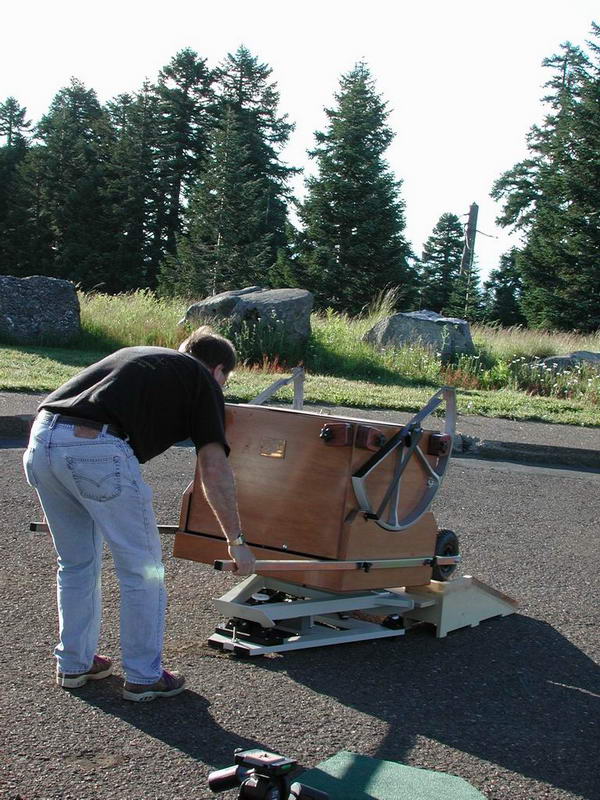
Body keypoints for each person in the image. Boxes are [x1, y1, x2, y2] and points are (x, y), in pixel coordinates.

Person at [23, 326, 255, 702]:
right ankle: (144, 675)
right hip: (97, 447)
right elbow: (214, 467)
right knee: (143, 569)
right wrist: (236, 541)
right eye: (224, 381)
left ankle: (74, 663)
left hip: (41, 440)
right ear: (218, 371)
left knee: (76, 564)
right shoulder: (203, 380)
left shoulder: (142, 357)